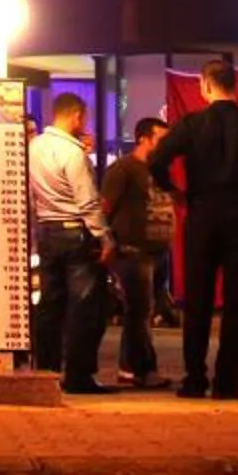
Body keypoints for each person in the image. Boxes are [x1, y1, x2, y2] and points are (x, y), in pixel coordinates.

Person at [149, 56, 238, 398]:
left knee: (197, 299)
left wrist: (173, 191)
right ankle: (227, 380)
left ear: (205, 85)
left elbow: (156, 159)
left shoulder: (191, 124)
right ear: (233, 85)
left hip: (202, 214)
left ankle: (194, 378)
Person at [28, 93, 116, 393]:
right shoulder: (72, 153)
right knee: (84, 306)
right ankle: (78, 376)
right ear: (77, 115)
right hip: (75, 232)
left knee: (50, 304)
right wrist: (105, 238)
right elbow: (88, 201)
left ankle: (46, 371)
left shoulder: (34, 147)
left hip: (47, 230)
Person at [100, 119, 171, 388]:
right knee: (139, 311)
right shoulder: (123, 169)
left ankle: (129, 367)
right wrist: (107, 242)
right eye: (161, 139)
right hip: (132, 250)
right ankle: (142, 369)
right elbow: (105, 206)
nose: (166, 145)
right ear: (144, 139)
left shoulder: (157, 170)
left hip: (156, 250)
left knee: (143, 312)